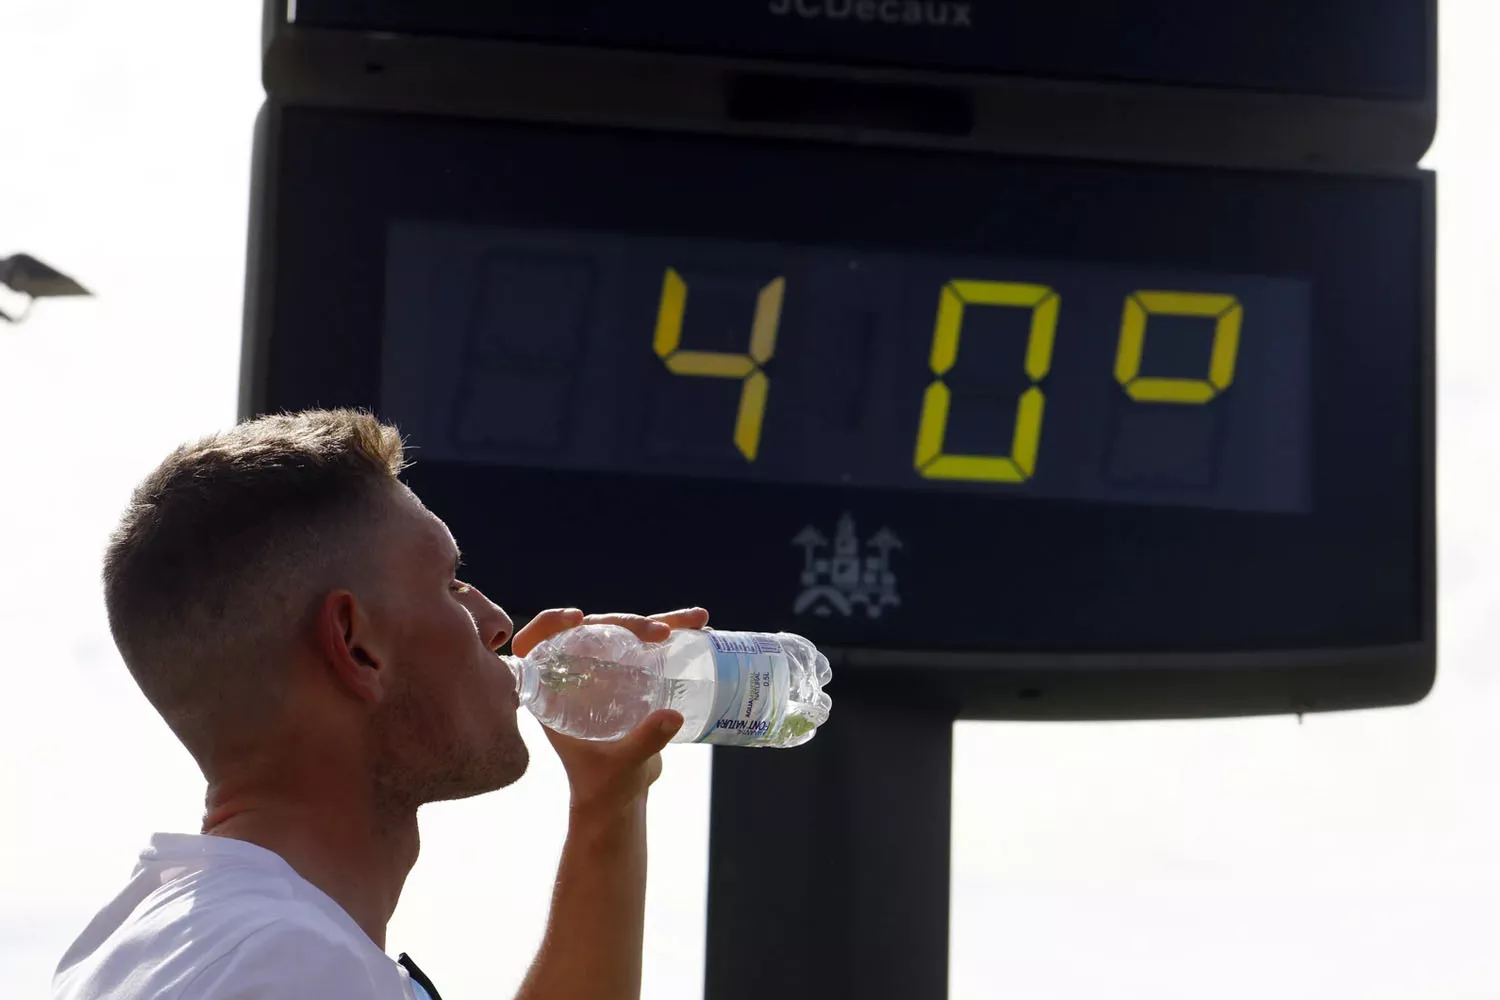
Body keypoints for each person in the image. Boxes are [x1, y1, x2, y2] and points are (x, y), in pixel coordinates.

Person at [52, 408, 709, 1000]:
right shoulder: (292, 967)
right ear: (355, 644)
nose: (498, 622)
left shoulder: (149, 942)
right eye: (451, 585)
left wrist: (609, 806)